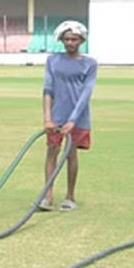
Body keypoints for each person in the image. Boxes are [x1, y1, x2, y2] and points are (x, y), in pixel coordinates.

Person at [39, 20, 97, 212]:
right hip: (56, 116)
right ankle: (48, 195)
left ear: (81, 40)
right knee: (52, 151)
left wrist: (73, 120)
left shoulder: (90, 64)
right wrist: (47, 117)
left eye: (74, 39)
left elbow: (86, 94)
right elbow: (48, 90)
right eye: (67, 39)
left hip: (78, 117)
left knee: (71, 154)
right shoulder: (53, 61)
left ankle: (70, 196)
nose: (70, 42)